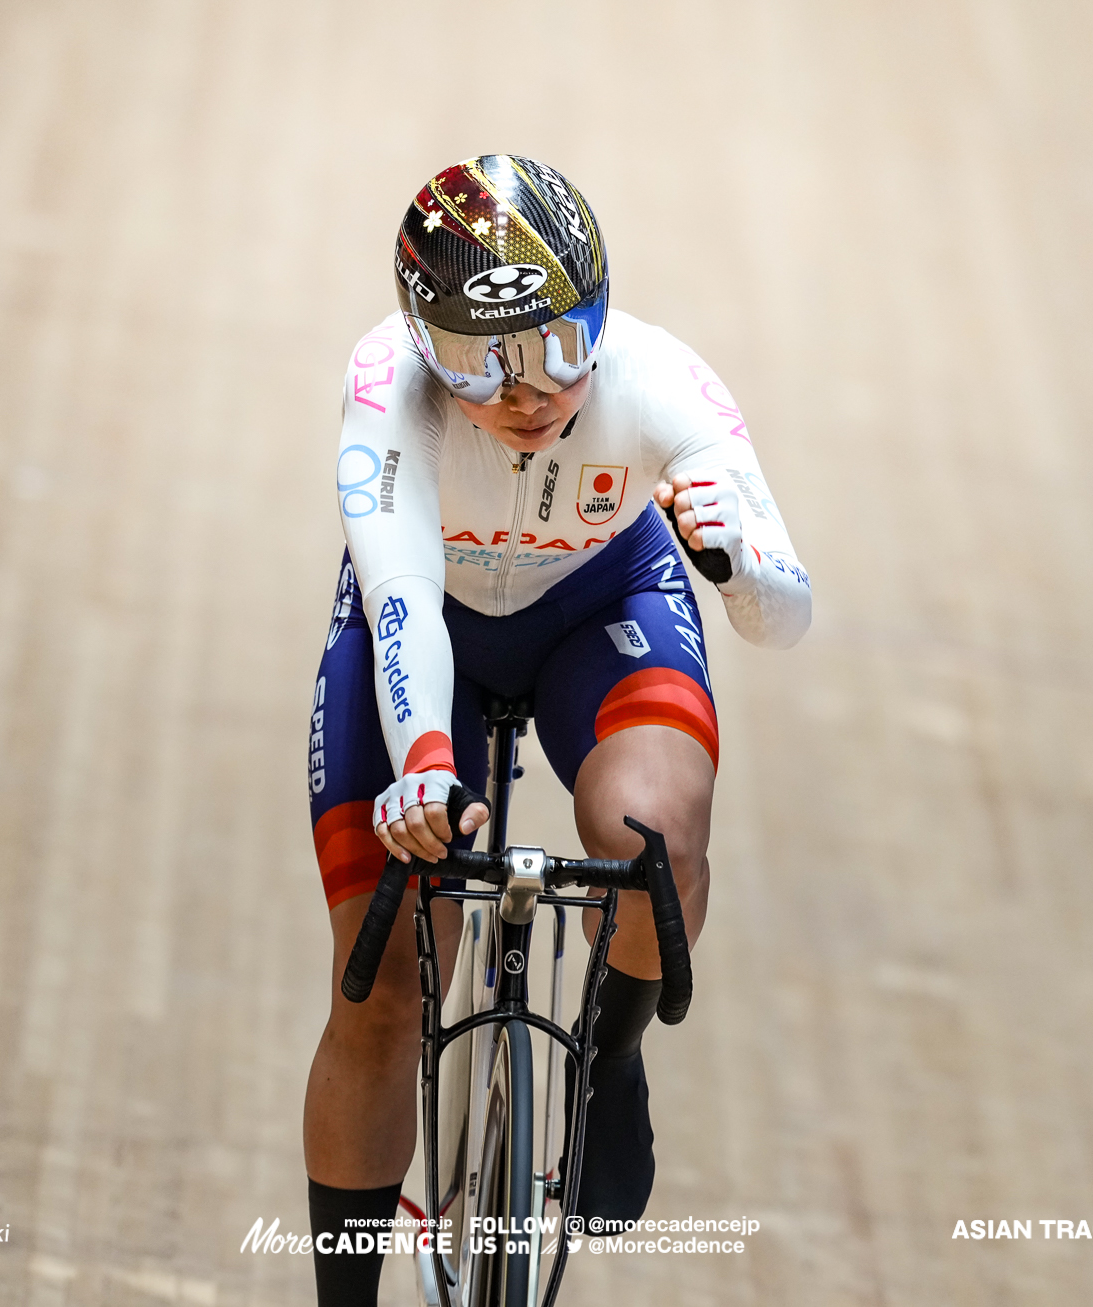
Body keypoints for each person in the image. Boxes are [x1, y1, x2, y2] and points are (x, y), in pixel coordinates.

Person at [302, 154, 811, 1305]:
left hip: (602, 604)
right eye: (480, 363)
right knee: (374, 986)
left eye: (558, 348)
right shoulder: (385, 387)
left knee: (656, 840)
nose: (526, 394)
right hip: (425, 623)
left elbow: (788, 613)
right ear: (422, 344)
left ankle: (609, 1056)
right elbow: (397, 600)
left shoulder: (661, 380)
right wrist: (424, 761)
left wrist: (736, 570)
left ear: (601, 320)